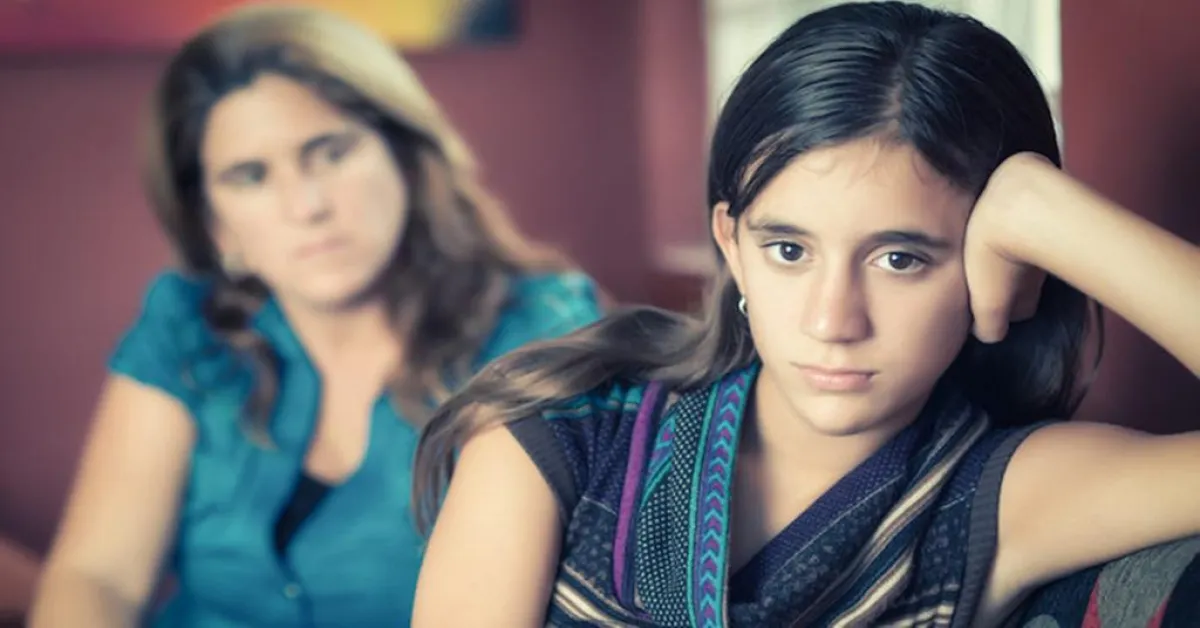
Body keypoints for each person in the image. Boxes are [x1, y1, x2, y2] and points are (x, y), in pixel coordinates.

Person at [410, 2, 1200, 626]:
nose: (833, 320)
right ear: (732, 245)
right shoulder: (560, 440)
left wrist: (1046, 213)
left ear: (997, 275)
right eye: (789, 250)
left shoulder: (997, 497)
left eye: (900, 259)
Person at [28, 4, 604, 627]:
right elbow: (100, 576)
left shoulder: (538, 333)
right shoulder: (187, 323)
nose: (306, 206)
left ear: (405, 156)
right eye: (250, 176)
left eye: (330, 152)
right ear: (215, 221)